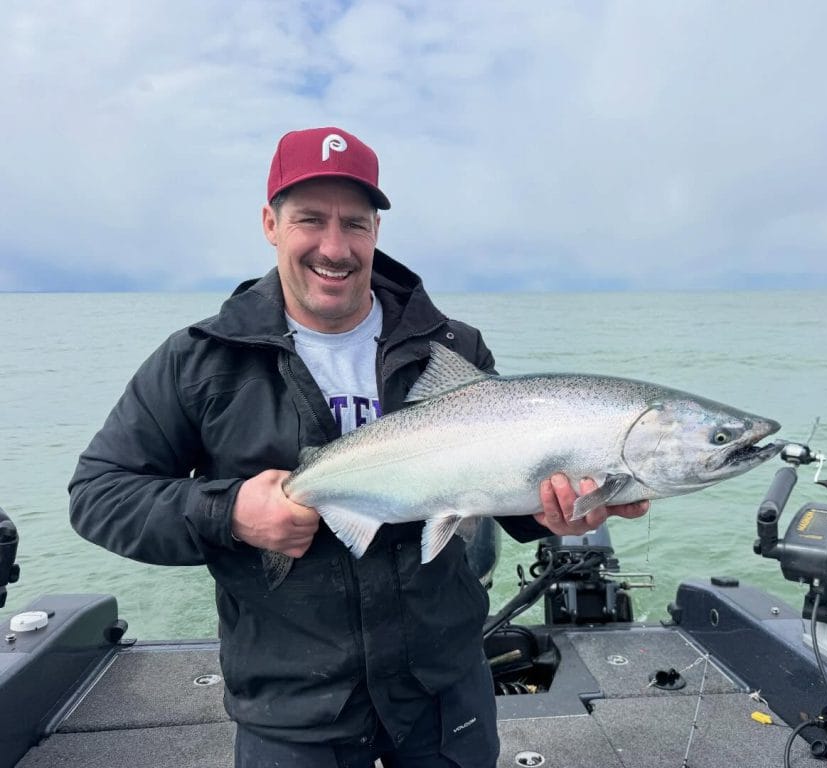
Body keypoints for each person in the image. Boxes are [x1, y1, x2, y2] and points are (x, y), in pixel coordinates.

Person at [69, 126, 649, 768]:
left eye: (355, 223)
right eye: (309, 220)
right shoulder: (201, 359)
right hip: (292, 710)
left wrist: (551, 515)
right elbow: (99, 494)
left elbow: (496, 491)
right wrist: (230, 513)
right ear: (270, 224)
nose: (334, 247)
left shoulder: (451, 347)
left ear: (376, 230)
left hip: (444, 693)